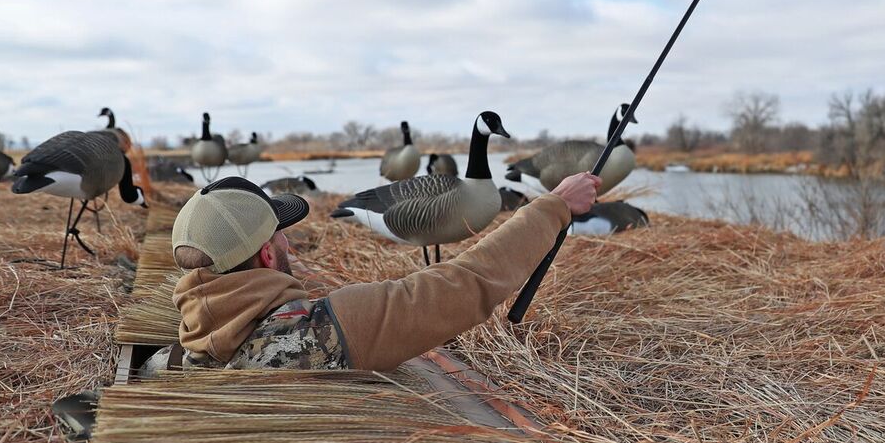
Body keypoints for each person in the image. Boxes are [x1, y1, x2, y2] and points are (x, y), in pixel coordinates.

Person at [148, 172, 598, 373]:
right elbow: (466, 283)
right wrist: (554, 206)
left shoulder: (183, 352)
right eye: (281, 236)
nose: (289, 244)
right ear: (267, 256)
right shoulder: (324, 333)